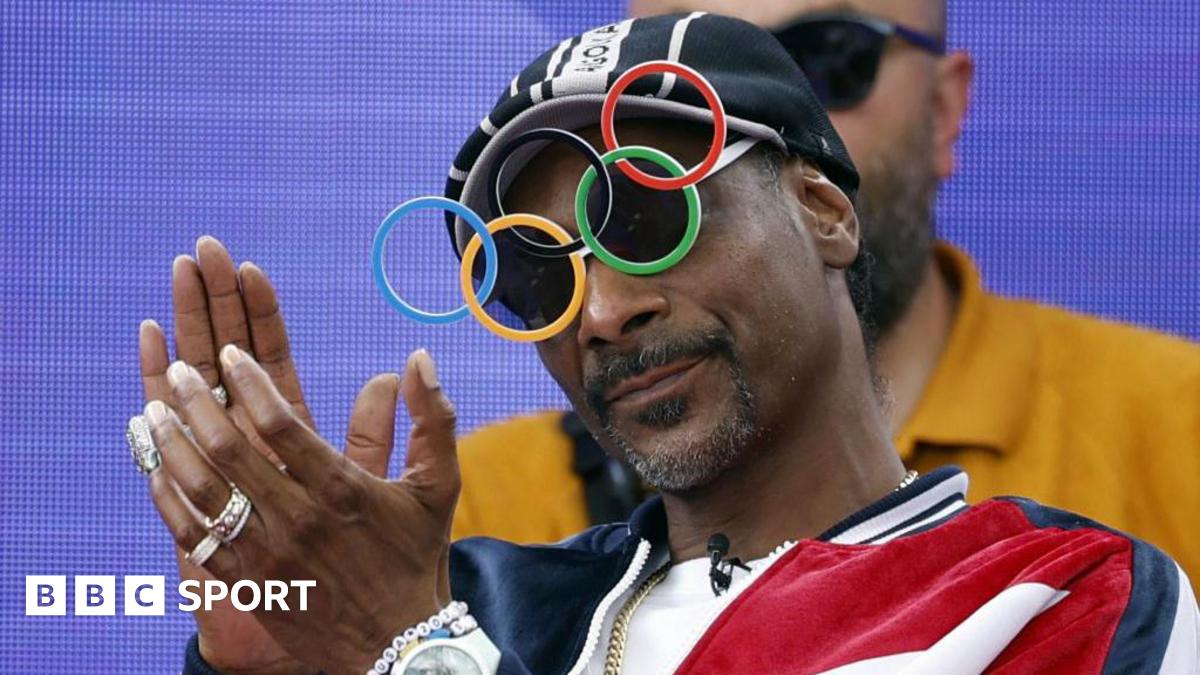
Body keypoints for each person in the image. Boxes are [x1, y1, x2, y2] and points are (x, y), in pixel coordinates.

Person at [133, 15, 1197, 674]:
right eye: (540, 273)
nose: (601, 312)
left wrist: (413, 656)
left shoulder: (1061, 597)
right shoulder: (480, 599)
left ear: (824, 211)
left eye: (646, 216)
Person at [450, 0, 1200, 593]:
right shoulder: (473, 523)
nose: (605, 310)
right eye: (537, 273)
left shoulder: (1179, 431)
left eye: (827, 57)